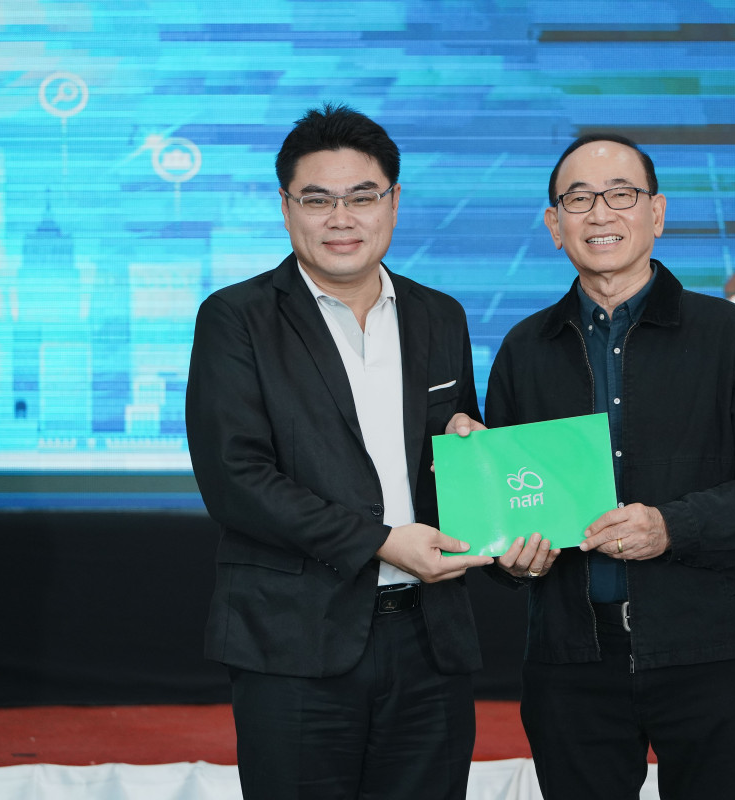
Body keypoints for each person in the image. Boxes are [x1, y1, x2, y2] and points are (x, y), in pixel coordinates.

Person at [476, 134, 735, 799]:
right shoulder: (524, 349)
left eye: (621, 195)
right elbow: (509, 504)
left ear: (656, 214)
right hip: (573, 660)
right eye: (578, 199)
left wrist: (671, 527)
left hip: (711, 651)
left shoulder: (730, 335)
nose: (600, 213)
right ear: (554, 225)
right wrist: (511, 559)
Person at [185, 103, 493, 800]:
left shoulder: (440, 315)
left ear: (394, 202)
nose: (341, 218)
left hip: (430, 640)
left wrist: (474, 458)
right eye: (317, 200)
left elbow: (452, 451)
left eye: (362, 196)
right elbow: (236, 478)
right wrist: (382, 542)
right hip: (294, 641)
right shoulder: (236, 318)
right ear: (286, 207)